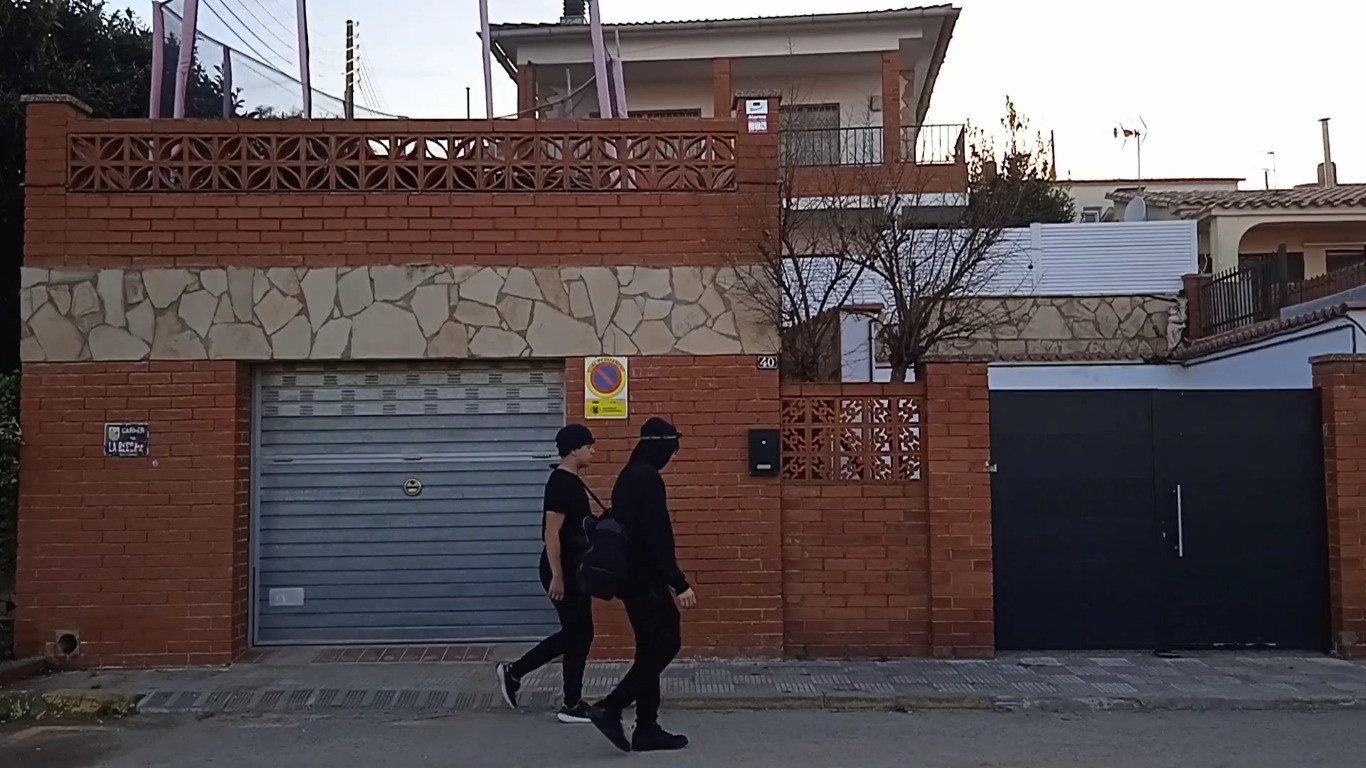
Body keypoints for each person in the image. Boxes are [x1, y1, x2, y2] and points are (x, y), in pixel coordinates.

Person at [587, 417, 696, 753]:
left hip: (631, 580)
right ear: (659, 447)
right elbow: (657, 536)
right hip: (645, 580)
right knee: (666, 643)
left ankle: (647, 727)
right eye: (671, 449)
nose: (672, 456)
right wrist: (679, 583)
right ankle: (611, 707)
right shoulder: (647, 479)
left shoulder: (628, 475)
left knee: (649, 649)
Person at [496, 423, 600, 724]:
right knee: (577, 633)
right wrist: (557, 575)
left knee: (580, 633)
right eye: (588, 446)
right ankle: (515, 672)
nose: (593, 451)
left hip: (575, 570)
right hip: (563, 571)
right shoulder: (561, 484)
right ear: (574, 449)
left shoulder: (572, 481)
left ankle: (571, 702)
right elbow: (551, 533)